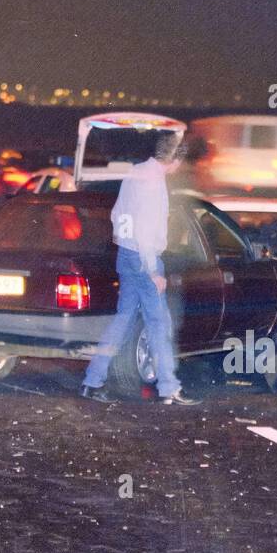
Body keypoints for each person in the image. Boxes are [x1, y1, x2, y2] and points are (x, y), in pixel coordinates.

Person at [79, 134, 199, 405]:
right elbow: (145, 230)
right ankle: (169, 388)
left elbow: (116, 214)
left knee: (122, 320)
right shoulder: (154, 183)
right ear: (174, 160)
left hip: (126, 254)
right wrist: (153, 270)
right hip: (145, 258)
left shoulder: (134, 174)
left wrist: (127, 245)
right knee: (159, 323)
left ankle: (92, 381)